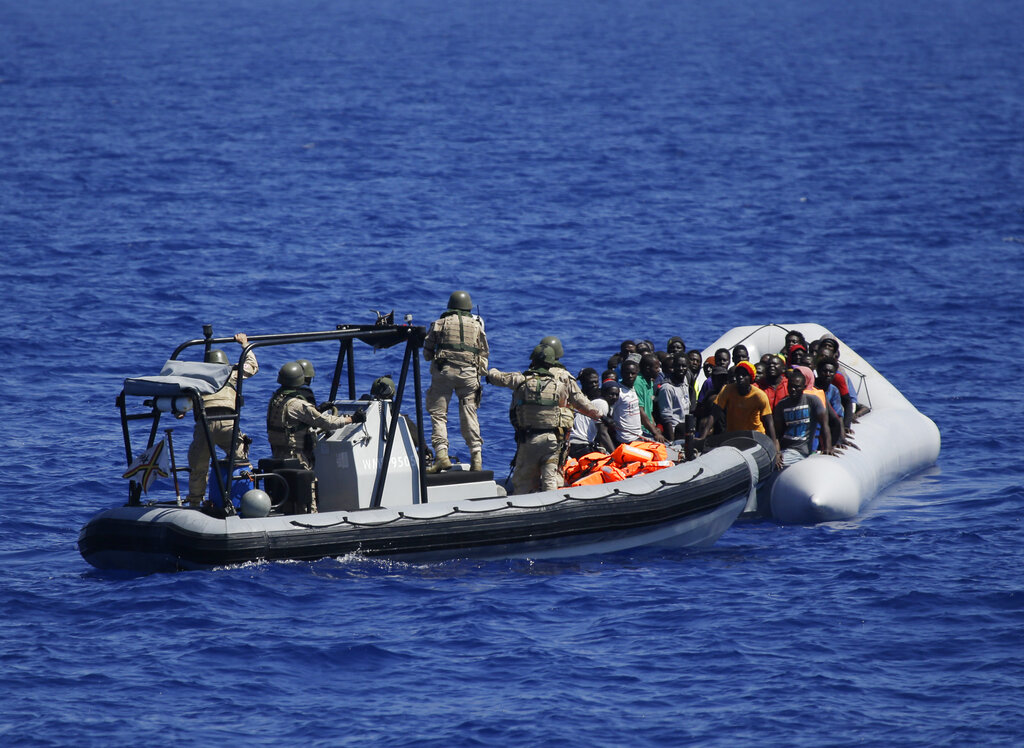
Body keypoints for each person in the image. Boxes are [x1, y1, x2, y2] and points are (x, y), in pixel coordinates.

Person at [486, 345, 602, 494]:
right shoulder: (560, 386)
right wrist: (599, 415)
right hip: (553, 440)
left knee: (522, 481)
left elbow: (499, 378)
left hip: (530, 440)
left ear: (533, 361)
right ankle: (552, 506)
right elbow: (578, 404)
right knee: (550, 479)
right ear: (551, 363)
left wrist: (490, 372)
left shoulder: (521, 380)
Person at [186, 333, 258, 508]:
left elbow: (186, 400)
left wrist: (182, 411)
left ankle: (195, 503)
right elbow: (252, 367)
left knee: (199, 467)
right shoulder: (231, 373)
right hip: (228, 422)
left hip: (205, 424)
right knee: (240, 460)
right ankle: (239, 500)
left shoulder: (197, 379)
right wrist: (244, 344)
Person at [423, 290, 489, 472]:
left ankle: (442, 456)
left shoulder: (439, 323)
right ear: (468, 307)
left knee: (438, 414)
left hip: (444, 373)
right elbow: (484, 354)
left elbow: (427, 354)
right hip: (469, 376)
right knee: (470, 414)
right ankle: (477, 458)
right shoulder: (477, 326)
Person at [267, 362, 362, 471]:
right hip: (296, 459)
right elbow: (327, 422)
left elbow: (293, 419)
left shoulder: (275, 400)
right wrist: (352, 419)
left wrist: (317, 410)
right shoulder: (297, 404)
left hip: (278, 455)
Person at [700, 361, 779, 451]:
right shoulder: (727, 389)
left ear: (751, 378)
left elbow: (769, 422)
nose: (740, 377)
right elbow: (714, 414)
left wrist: (775, 450)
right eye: (738, 374)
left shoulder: (759, 395)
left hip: (754, 437)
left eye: (744, 375)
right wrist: (703, 437)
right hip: (734, 436)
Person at [773, 369, 831, 468]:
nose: (793, 390)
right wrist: (777, 453)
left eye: (797, 387)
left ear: (804, 387)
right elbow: (777, 434)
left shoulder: (812, 401)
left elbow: (824, 425)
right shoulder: (781, 405)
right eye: (790, 386)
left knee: (774, 466)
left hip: (801, 451)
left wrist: (827, 448)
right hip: (784, 449)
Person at [610, 359, 665, 445]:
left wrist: (654, 430)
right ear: (621, 373)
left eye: (633, 373)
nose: (630, 376)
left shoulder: (633, 389)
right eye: (627, 373)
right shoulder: (618, 392)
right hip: (626, 440)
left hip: (638, 436)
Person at [568, 368, 615, 458]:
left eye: (596, 382)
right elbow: (603, 433)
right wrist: (616, 456)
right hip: (581, 446)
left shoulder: (574, 401)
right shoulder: (600, 403)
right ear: (582, 383)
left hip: (571, 446)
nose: (594, 385)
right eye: (591, 383)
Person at [657, 354, 691, 441]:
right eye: (678, 366)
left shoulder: (685, 379)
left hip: (685, 429)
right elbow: (666, 418)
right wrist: (672, 441)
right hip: (675, 432)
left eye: (684, 366)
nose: (680, 368)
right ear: (673, 367)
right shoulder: (667, 388)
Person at [635, 353, 667, 442]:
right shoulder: (638, 382)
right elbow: (640, 410)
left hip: (648, 428)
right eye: (656, 368)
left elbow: (649, 411)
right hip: (640, 430)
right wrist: (654, 432)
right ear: (648, 369)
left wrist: (654, 428)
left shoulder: (650, 382)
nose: (659, 370)